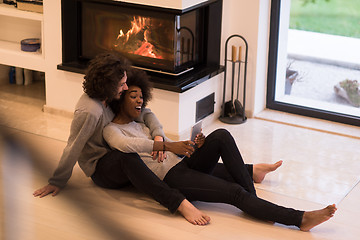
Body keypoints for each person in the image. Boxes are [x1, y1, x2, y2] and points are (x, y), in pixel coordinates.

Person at [103, 68, 337, 231]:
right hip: (172, 177)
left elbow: (157, 128)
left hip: (182, 163)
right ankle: (299, 218)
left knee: (222, 135)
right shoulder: (112, 130)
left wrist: (193, 145)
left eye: (142, 97)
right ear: (119, 99)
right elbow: (126, 146)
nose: (139, 101)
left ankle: (256, 204)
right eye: (133, 96)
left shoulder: (143, 122)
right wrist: (163, 143)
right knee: (233, 192)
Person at [33, 51, 210, 225]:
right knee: (127, 157)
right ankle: (178, 203)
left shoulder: (110, 98)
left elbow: (145, 114)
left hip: (117, 150)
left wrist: (158, 137)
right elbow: (73, 146)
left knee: (141, 154)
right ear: (108, 85)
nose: (126, 88)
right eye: (122, 84)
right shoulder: (89, 111)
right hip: (101, 167)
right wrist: (57, 181)